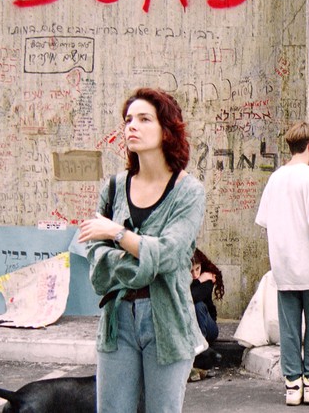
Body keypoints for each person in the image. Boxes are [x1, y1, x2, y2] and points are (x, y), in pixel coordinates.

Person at [80, 88, 206, 413]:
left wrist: (117, 234)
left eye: (144, 118)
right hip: (116, 319)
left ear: (167, 130)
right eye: (128, 120)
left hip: (167, 319)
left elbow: (171, 254)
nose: (131, 126)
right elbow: (97, 264)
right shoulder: (112, 187)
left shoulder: (188, 191)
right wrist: (139, 256)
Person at [255, 121, 309, 406]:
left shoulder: (275, 178)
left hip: (283, 264)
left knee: (288, 326)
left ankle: (292, 385)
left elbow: (264, 221)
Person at [188, 248, 224, 382]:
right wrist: (197, 282)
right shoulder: (199, 279)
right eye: (191, 271)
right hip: (189, 326)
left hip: (209, 327)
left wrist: (197, 282)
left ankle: (200, 351)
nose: (195, 275)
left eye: (197, 269)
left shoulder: (208, 277)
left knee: (198, 306)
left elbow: (193, 297)